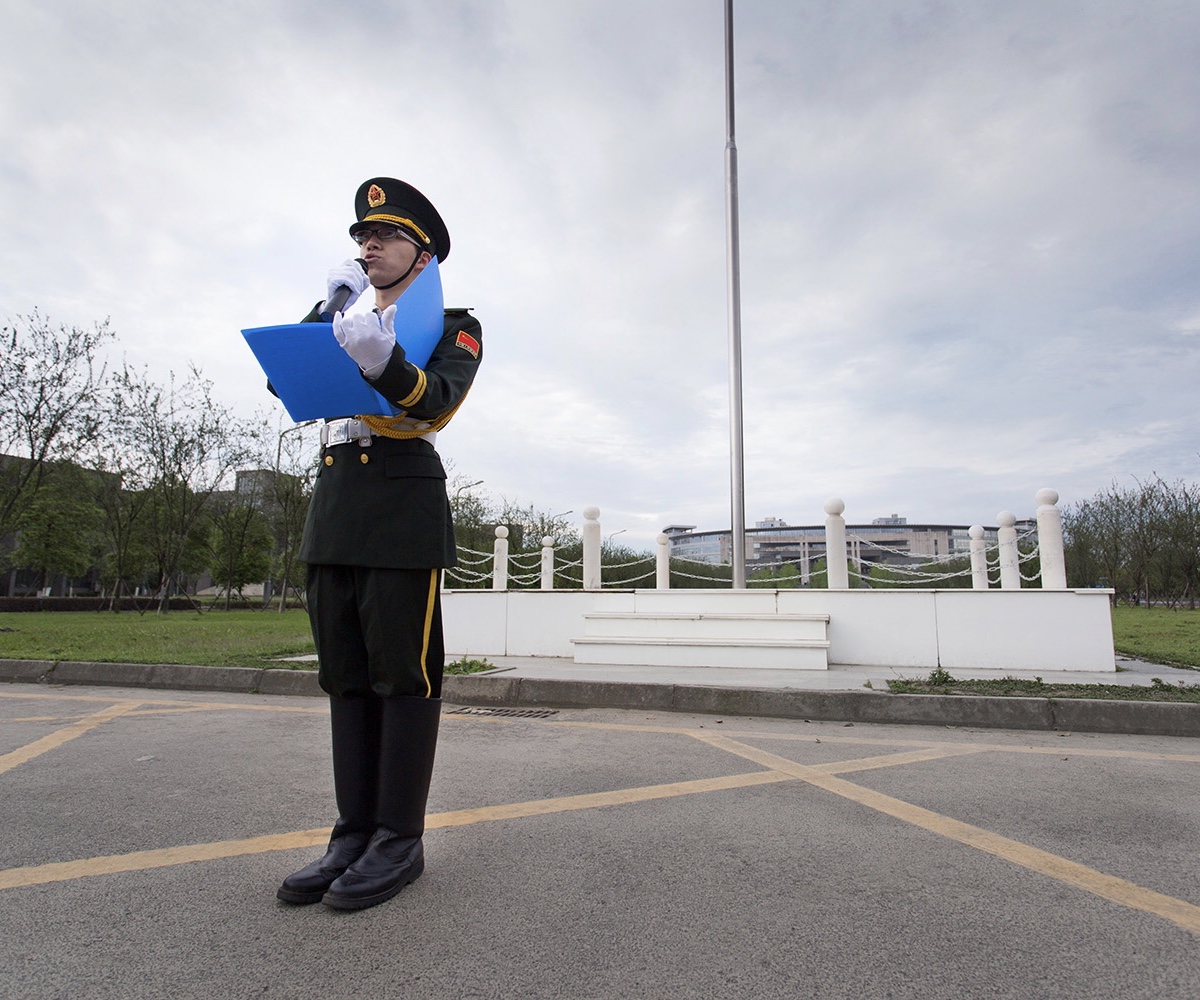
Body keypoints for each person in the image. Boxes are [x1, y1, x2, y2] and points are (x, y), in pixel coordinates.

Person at [276, 177, 482, 911]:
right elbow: (286, 383)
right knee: (346, 674)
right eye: (365, 235)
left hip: (400, 507)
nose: (371, 244)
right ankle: (351, 833)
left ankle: (399, 836)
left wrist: (383, 363)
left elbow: (436, 399)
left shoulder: (455, 324)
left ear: (422, 256)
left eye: (389, 235)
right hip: (336, 509)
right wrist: (325, 311)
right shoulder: (344, 314)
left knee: (403, 673)